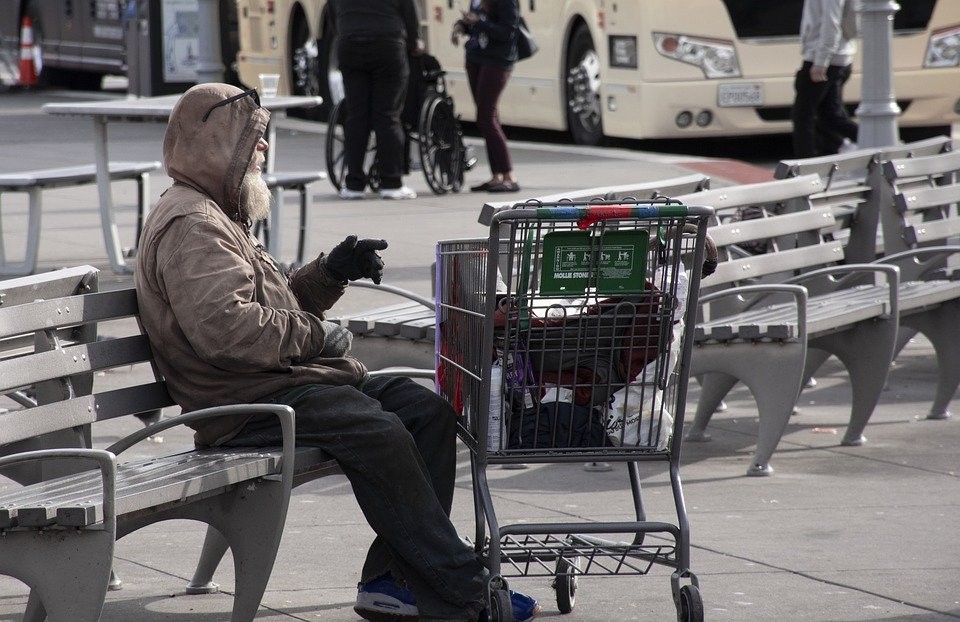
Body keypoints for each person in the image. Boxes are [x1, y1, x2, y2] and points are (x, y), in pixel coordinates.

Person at [134, 83, 540, 622]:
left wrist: (330, 274)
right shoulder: (194, 225)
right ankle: (464, 589)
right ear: (217, 145)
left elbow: (267, 309)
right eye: (254, 141)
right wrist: (318, 337)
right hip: (242, 401)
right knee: (377, 430)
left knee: (425, 411)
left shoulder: (216, 213)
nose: (262, 151)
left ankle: (392, 581)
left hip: (277, 381)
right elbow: (228, 333)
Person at [332, 0, 422, 200]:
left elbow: (333, 13)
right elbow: (409, 11)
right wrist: (415, 39)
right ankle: (391, 182)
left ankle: (354, 183)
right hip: (387, 44)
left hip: (350, 44)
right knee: (387, 114)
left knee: (356, 116)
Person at [451, 0, 521, 193]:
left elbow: (508, 31)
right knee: (488, 117)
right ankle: (497, 174)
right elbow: (476, 22)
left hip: (497, 60)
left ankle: (509, 174)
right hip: (476, 57)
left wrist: (478, 23)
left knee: (485, 117)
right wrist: (461, 26)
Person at [791, 0, 860, 158]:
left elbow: (831, 23)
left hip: (824, 59)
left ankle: (804, 165)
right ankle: (875, 144)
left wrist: (821, 62)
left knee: (802, 115)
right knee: (830, 115)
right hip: (836, 57)